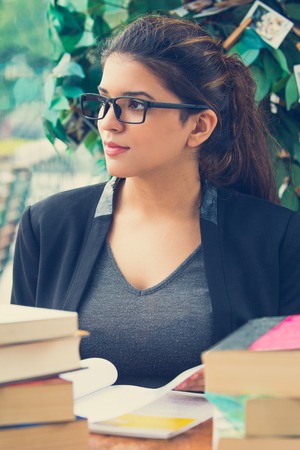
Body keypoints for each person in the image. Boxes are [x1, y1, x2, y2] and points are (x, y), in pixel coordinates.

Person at [11, 14, 300, 389]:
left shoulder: (275, 239)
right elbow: (17, 380)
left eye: (133, 105)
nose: (108, 122)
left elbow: (289, 391)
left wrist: (244, 379)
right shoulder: (47, 226)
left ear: (199, 126)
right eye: (104, 100)